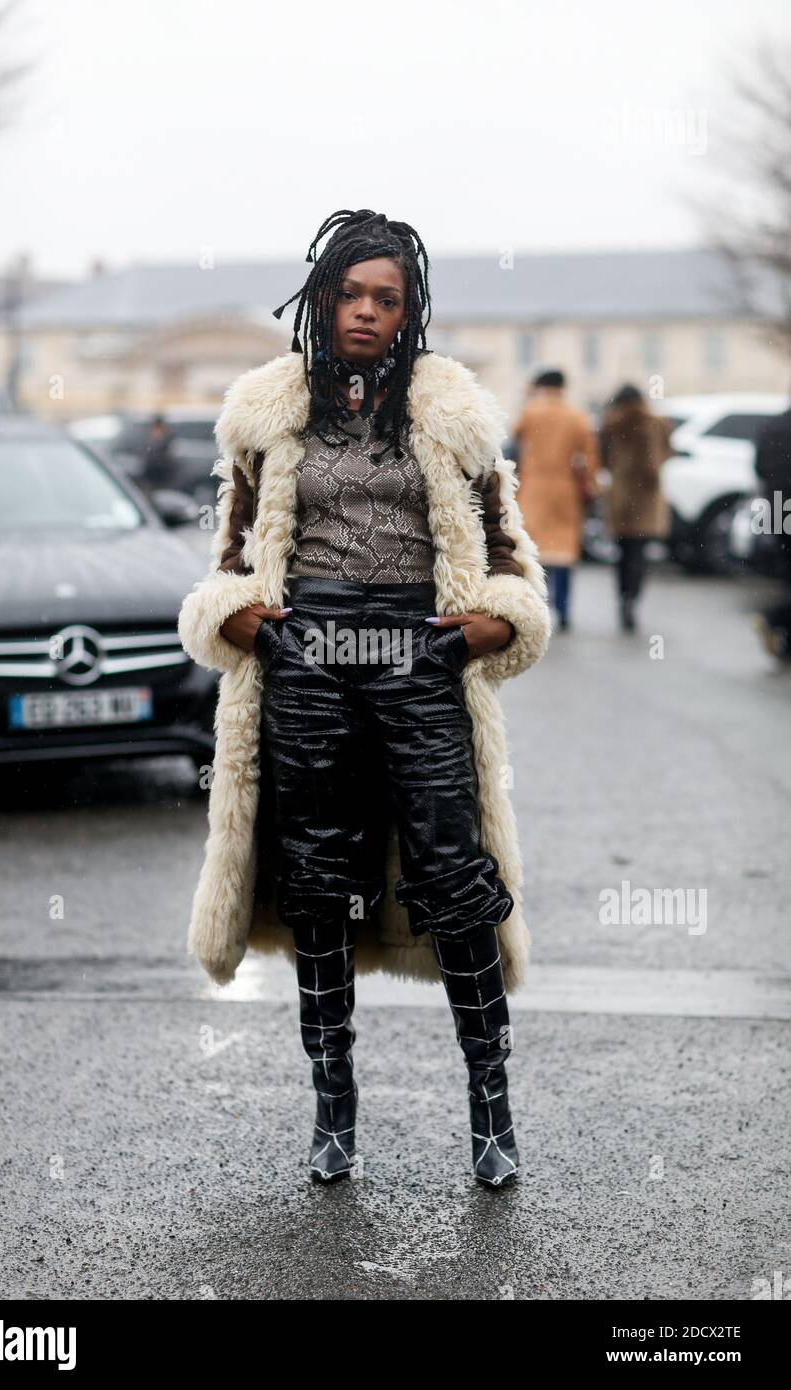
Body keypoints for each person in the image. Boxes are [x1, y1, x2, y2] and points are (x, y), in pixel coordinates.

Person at [178, 209, 551, 1188]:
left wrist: (488, 625)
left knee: (452, 878)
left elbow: (506, 557)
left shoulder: (451, 418)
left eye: (386, 298)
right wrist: (251, 621)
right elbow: (229, 561)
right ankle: (333, 1107)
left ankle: (490, 1109)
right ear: (321, 298)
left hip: (417, 661)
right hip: (307, 668)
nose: (366, 312)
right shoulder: (269, 418)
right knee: (316, 883)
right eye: (350, 293)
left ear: (407, 310)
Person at [512, 369, 599, 630]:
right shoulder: (577, 416)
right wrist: (591, 485)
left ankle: (538, 603)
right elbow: (590, 457)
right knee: (563, 551)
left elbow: (515, 434)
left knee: (534, 550)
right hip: (565, 489)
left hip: (533, 487)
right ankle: (563, 607)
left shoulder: (531, 412)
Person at [597, 384, 673, 630]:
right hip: (645, 497)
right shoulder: (654, 424)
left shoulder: (612, 426)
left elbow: (604, 460)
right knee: (639, 554)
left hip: (621, 496)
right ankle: (633, 599)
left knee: (623, 552)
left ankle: (623, 597)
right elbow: (657, 459)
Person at [752, 401, 791, 660]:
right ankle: (774, 618)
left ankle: (787, 645)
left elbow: (759, 468)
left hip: (777, 509)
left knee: (788, 573)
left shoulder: (771, 425)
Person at [138, 414, 176, 496]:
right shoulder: (148, 440)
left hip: (163, 477)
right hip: (150, 476)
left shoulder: (167, 441)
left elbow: (169, 458)